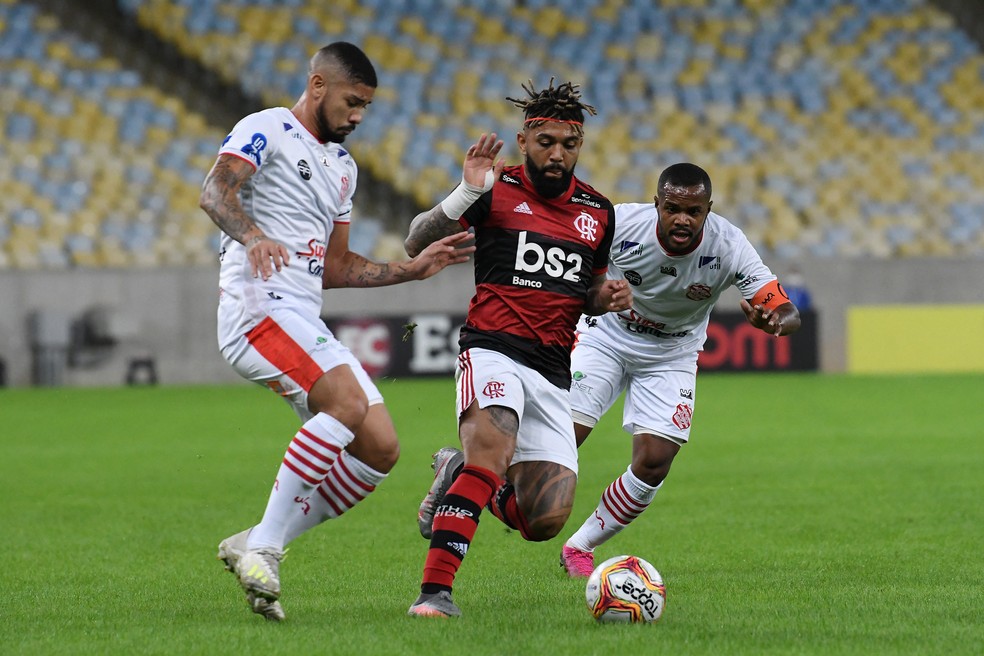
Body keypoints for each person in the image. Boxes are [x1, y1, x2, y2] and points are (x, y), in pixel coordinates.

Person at [198, 42, 475, 622]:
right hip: (256, 307)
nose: (357, 116)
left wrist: (411, 270)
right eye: (352, 102)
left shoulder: (342, 169)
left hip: (301, 313)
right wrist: (253, 236)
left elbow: (337, 266)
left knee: (380, 448)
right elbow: (215, 192)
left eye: (366, 108)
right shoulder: (265, 127)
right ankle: (266, 550)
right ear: (318, 86)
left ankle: (254, 539)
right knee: (346, 404)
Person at [402, 79, 633, 618]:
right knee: (493, 453)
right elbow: (416, 241)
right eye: (546, 141)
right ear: (524, 141)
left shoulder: (597, 210)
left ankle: (454, 469)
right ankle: (435, 594)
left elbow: (587, 289)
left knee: (544, 520)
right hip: (492, 348)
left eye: (568, 144)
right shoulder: (493, 189)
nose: (557, 154)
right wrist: (466, 192)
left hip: (554, 368)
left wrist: (609, 296)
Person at [558, 162, 802, 577]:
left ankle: (580, 547)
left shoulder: (729, 245)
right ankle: (470, 476)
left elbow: (785, 308)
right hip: (606, 336)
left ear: (709, 209)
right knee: (563, 442)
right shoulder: (618, 223)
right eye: (673, 208)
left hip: (672, 353)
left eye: (694, 211)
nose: (683, 219)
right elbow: (570, 269)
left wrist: (776, 322)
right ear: (657, 205)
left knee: (655, 461)